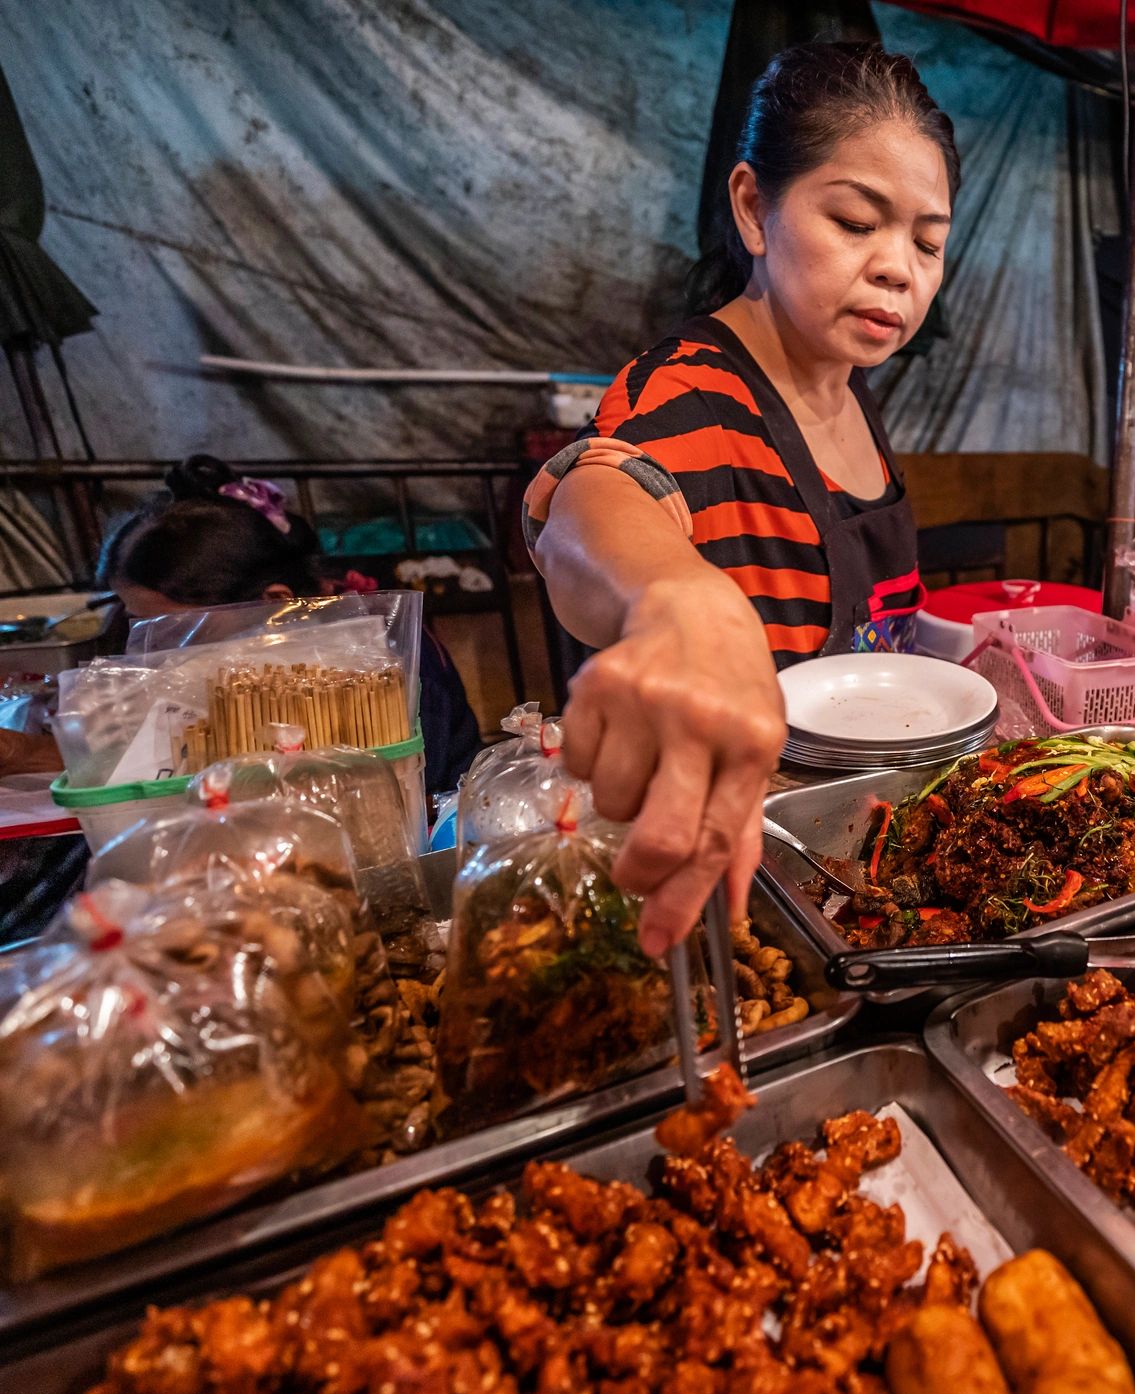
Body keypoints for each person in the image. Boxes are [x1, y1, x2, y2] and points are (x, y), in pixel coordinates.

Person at [524, 43, 957, 957]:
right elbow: (594, 498)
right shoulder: (689, 392)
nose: (897, 269)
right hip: (734, 879)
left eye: (926, 241)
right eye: (855, 222)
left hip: (851, 851)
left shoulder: (846, 386)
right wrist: (675, 600)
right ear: (755, 208)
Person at [98, 456, 483, 796]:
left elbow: (405, 797)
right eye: (139, 625)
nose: (155, 651)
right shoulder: (233, 679)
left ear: (274, 604)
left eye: (173, 631)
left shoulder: (382, 670)